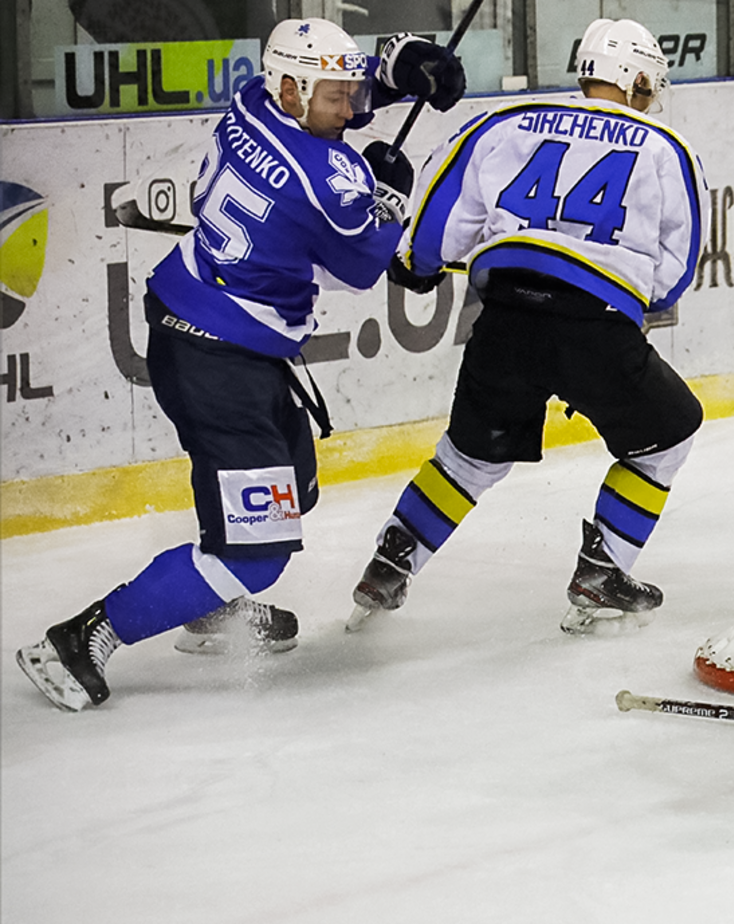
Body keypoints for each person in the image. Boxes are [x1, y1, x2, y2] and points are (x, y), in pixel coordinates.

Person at [13, 19, 465, 710]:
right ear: (293, 88)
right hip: (217, 361)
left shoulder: (255, 101)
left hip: (208, 333)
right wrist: (391, 198)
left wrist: (402, 67)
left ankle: (203, 597)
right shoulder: (323, 181)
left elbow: (346, 92)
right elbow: (365, 265)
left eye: (349, 92)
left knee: (293, 492)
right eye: (335, 98)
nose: (348, 108)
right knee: (258, 553)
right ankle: (82, 640)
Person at [347, 18, 706, 636]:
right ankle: (603, 570)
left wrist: (416, 263)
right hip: (595, 325)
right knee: (669, 435)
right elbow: (675, 269)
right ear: (639, 79)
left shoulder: (505, 122)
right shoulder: (665, 146)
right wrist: (630, 307)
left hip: (506, 319)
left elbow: (442, 212)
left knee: (467, 459)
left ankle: (391, 560)